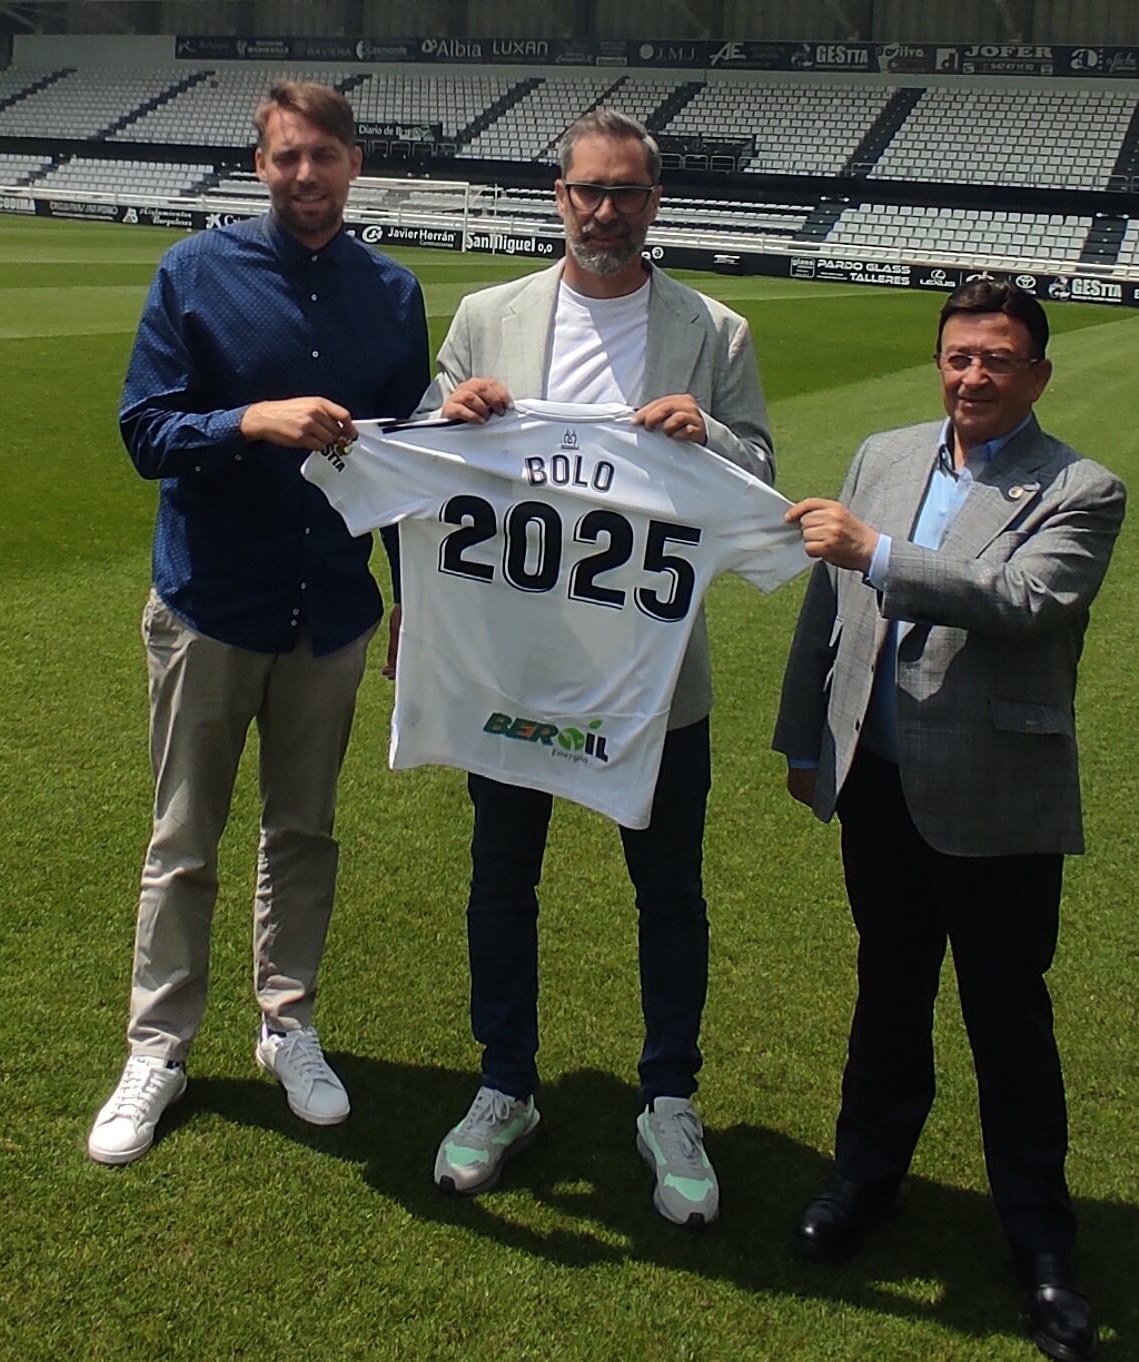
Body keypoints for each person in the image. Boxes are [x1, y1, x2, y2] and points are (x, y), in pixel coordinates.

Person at [417, 108, 774, 1227]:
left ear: (652, 203)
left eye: (624, 193)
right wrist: (452, 413)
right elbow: (422, 464)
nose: (602, 211)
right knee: (500, 877)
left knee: (666, 891)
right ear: (557, 195)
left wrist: (706, 437)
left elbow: (760, 477)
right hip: (510, 667)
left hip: (651, 677)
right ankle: (503, 1084)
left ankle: (668, 1097)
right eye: (585, 189)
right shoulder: (487, 314)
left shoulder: (713, 332)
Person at [774, 279, 1125, 1361]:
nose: (972, 375)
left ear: (1036, 375)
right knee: (886, 992)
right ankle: (863, 1182)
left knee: (1006, 1024)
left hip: (991, 795)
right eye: (958, 356)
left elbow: (1021, 601)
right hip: (875, 778)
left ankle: (1039, 1246)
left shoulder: (1079, 487)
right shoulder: (885, 451)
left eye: (997, 360)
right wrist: (802, 737)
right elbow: (825, 610)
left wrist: (877, 553)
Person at [86, 81, 429, 1166]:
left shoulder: (391, 292)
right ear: (259, 164)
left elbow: (403, 462)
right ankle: (159, 1048)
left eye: (322, 156)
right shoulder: (194, 272)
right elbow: (144, 431)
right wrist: (251, 419)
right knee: (184, 840)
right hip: (211, 602)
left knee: (303, 832)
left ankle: (288, 1024)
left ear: (353, 163)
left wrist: (413, 598)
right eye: (284, 157)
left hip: (328, 607)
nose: (304, 175)